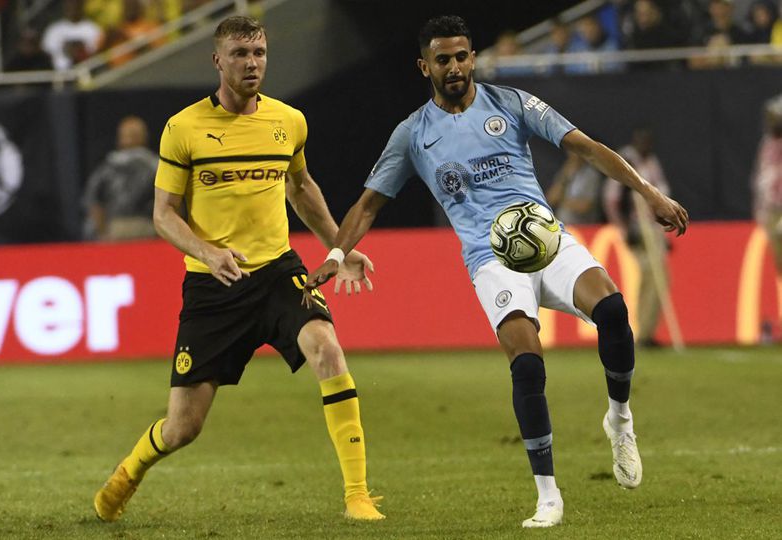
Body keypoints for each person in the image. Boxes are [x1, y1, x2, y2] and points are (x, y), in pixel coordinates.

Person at [303, 15, 688, 528]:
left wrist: (650, 192)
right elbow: (369, 204)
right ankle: (548, 496)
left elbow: (585, 147)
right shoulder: (413, 134)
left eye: (463, 56)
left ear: (472, 57)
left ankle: (619, 419)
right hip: (492, 260)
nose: (456, 66)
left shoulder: (511, 103)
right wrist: (334, 255)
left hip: (546, 240)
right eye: (444, 59)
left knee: (615, 312)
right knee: (528, 366)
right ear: (425, 67)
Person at [93, 15, 385, 523]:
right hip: (214, 287)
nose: (252, 64)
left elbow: (301, 187)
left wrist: (339, 245)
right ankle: (128, 472)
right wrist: (208, 253)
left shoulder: (288, 121)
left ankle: (358, 495)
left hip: (277, 273)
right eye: (240, 54)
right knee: (183, 428)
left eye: (259, 53)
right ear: (217, 60)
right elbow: (163, 214)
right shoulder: (183, 128)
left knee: (327, 348)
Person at [603, 128, 672, 347]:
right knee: (650, 275)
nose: (646, 146)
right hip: (638, 227)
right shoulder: (627, 161)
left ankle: (646, 331)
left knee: (658, 278)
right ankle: (641, 332)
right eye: (642, 142)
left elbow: (662, 194)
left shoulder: (651, 162)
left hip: (653, 227)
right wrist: (624, 229)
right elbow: (612, 199)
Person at [82, 115, 158, 241]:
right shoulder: (157, 166)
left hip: (117, 229)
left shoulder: (106, 167)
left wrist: (102, 233)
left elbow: (94, 202)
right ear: (144, 137)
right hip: (148, 229)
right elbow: (172, 202)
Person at [752, 94, 782, 339]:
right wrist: (760, 210)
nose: (770, 123)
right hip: (772, 211)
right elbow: (761, 180)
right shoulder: (767, 143)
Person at [41, 0, 103, 70]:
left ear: (81, 5)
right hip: (60, 75)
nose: (73, 7)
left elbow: (96, 54)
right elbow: (47, 54)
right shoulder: (53, 29)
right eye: (69, 4)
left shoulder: (94, 29)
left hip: (87, 73)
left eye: (75, 3)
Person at [546, 153, 605, 225]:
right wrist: (564, 177)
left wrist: (561, 200)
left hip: (582, 227)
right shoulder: (566, 172)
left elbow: (585, 206)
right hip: (563, 225)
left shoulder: (591, 174)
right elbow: (551, 198)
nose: (573, 155)